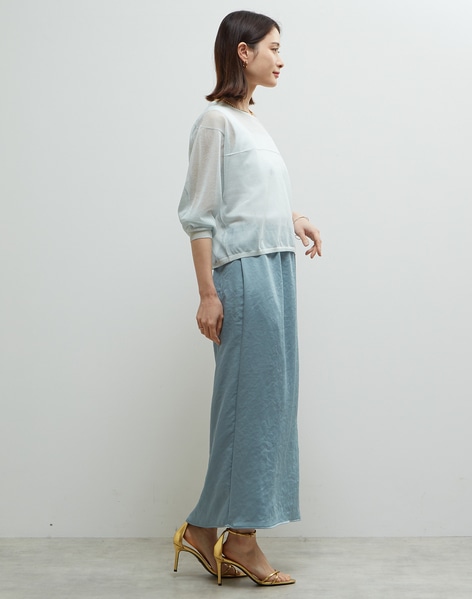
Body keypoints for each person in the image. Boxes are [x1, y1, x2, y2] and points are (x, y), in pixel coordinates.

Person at [173, 10, 322, 587]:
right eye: (274, 47)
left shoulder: (251, 121)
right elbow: (200, 215)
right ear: (243, 51)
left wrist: (293, 218)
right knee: (250, 406)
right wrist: (207, 293)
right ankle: (240, 539)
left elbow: (252, 200)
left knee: (271, 404)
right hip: (242, 275)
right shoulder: (215, 122)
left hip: (276, 268)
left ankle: (208, 530)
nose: (281, 58)